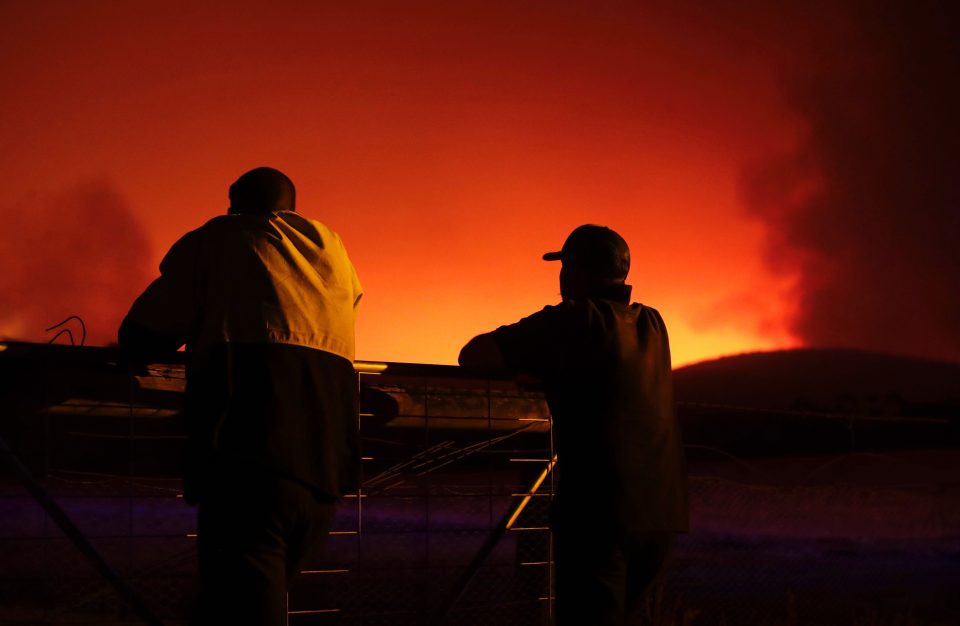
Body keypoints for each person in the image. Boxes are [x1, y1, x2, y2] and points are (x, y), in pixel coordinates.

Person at [118, 167, 363, 626]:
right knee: (236, 604)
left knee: (240, 605)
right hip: (325, 469)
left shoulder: (222, 238)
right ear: (292, 206)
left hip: (249, 464)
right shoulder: (334, 253)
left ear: (234, 204)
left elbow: (147, 328)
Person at [459, 224, 688, 626]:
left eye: (563, 267)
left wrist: (539, 366)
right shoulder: (653, 324)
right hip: (661, 512)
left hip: (599, 514)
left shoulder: (574, 320)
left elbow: (474, 354)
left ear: (574, 272)